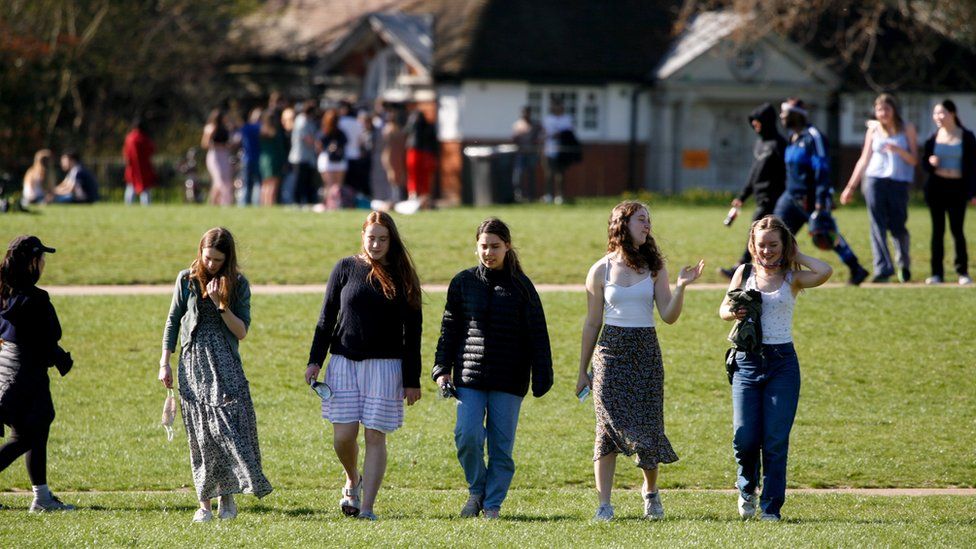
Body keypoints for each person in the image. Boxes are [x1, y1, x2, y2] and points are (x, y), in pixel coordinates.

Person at [577, 201, 704, 521]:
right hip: (610, 353)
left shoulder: (655, 267)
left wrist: (682, 287)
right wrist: (582, 369)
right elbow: (592, 323)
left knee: (648, 426)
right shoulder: (600, 269)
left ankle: (650, 494)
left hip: (645, 351)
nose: (647, 226)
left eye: (649, 220)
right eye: (640, 220)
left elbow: (669, 316)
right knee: (605, 428)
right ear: (622, 224)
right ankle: (604, 505)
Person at [304, 211, 423, 521]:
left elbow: (413, 334)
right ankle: (352, 478)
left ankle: (367, 507)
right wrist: (315, 360)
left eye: (383, 239)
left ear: (391, 240)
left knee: (374, 437)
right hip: (343, 362)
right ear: (363, 236)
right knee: (343, 436)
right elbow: (326, 318)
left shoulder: (403, 276)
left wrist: (412, 379)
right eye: (372, 238)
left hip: (385, 367)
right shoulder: (345, 268)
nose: (376, 244)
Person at [433, 218, 553, 519]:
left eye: (495, 246)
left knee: (501, 447)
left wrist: (542, 376)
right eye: (484, 246)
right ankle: (477, 489)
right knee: (467, 435)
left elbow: (538, 334)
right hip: (469, 377)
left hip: (509, 380)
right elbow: (449, 329)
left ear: (507, 247)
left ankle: (492, 505)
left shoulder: (523, 287)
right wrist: (441, 369)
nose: (489, 252)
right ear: (477, 247)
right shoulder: (462, 283)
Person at [719, 215, 832, 521]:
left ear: (784, 246)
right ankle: (746, 488)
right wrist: (734, 312)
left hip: (782, 363)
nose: (767, 251)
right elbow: (722, 309)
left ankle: (771, 508)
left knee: (775, 439)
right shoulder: (743, 273)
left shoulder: (792, 277)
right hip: (746, 361)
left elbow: (825, 271)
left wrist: (796, 256)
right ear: (752, 246)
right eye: (761, 245)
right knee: (744, 437)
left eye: (774, 245)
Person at [159, 227, 272, 523]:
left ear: (228, 259)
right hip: (193, 363)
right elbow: (173, 321)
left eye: (218, 260)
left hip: (225, 364)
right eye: (207, 258)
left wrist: (222, 304)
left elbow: (242, 331)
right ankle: (204, 505)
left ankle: (228, 498)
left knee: (225, 430)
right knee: (200, 434)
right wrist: (164, 361)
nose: (211, 264)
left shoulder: (238, 284)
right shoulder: (186, 280)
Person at [0, 236, 75, 513]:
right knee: (27, 435)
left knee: (36, 429)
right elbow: (49, 338)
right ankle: (42, 498)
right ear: (33, 261)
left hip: (6, 366)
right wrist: (61, 360)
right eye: (41, 258)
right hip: (25, 375)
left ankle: (42, 497)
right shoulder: (37, 299)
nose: (44, 263)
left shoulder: (4, 292)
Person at [774, 98, 869, 285]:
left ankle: (856, 268)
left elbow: (822, 168)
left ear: (797, 115)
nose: (781, 117)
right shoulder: (793, 138)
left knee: (826, 234)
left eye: (785, 113)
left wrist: (820, 199)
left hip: (810, 197)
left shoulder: (813, 137)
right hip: (790, 196)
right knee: (775, 232)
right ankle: (775, 275)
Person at [840, 94, 918, 283]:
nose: (883, 113)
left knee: (898, 226)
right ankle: (882, 268)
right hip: (874, 180)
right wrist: (850, 187)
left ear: (894, 110)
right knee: (877, 224)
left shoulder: (907, 129)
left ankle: (903, 264)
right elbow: (864, 159)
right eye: (879, 109)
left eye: (887, 109)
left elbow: (914, 160)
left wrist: (898, 150)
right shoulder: (873, 130)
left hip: (898, 182)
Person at [720, 103, 786, 279]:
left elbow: (787, 173)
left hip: (774, 198)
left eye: (758, 123)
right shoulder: (759, 144)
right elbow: (754, 173)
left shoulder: (779, 145)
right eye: (753, 123)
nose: (755, 127)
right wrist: (742, 196)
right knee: (768, 235)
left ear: (767, 122)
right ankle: (762, 269)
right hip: (760, 197)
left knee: (756, 231)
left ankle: (741, 267)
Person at [921, 99, 975, 285]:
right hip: (937, 188)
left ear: (952, 113)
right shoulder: (933, 137)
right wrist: (930, 162)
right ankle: (937, 273)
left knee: (957, 230)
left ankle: (963, 272)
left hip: (957, 188)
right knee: (938, 231)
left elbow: (973, 166)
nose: (938, 117)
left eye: (941, 112)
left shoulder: (966, 136)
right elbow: (924, 163)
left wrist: (973, 192)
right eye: (935, 113)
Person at [315, 109, 350, 211]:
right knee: (338, 186)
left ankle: (329, 205)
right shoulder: (341, 132)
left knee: (329, 185)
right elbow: (345, 144)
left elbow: (319, 147)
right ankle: (336, 205)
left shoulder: (323, 132)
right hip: (339, 160)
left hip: (327, 160)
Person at [405, 104, 438, 209]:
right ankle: (424, 197)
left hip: (415, 151)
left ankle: (415, 195)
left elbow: (406, 131)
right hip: (426, 153)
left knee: (414, 175)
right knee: (423, 177)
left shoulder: (414, 125)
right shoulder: (429, 126)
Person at [542, 100, 574, 204]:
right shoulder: (548, 119)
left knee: (560, 174)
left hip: (562, 151)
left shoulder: (567, 119)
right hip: (549, 150)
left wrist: (559, 134)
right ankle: (549, 195)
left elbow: (569, 133)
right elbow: (544, 133)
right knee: (549, 173)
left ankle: (559, 196)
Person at [289, 101, 319, 205]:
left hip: (307, 157)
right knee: (299, 181)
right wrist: (317, 145)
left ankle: (306, 201)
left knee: (306, 181)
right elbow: (307, 138)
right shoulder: (302, 121)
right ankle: (296, 201)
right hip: (300, 156)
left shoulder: (307, 120)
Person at [201, 110, 234, 206]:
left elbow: (229, 142)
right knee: (218, 180)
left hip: (224, 155)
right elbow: (205, 144)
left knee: (226, 179)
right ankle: (218, 202)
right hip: (215, 155)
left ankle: (218, 203)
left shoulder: (226, 128)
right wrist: (219, 145)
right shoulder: (210, 128)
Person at [122, 118, 158, 206]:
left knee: (131, 186)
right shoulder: (144, 138)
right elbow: (151, 150)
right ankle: (146, 205)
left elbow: (126, 153)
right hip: (144, 168)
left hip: (131, 167)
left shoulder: (129, 138)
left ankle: (128, 205)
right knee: (145, 188)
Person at [511, 106, 542, 202]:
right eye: (523, 112)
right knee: (518, 175)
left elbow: (540, 137)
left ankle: (531, 196)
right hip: (520, 154)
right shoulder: (517, 125)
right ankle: (518, 195)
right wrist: (518, 135)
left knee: (531, 175)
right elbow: (513, 139)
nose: (525, 114)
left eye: (527, 112)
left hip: (531, 153)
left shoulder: (535, 125)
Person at [258, 110, 287, 206]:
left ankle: (264, 203)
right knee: (273, 183)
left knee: (265, 183)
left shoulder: (262, 130)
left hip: (263, 159)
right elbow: (280, 148)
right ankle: (270, 203)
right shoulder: (275, 131)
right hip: (274, 159)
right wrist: (284, 161)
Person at [381, 108, 407, 204]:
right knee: (395, 176)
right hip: (395, 154)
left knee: (393, 176)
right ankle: (395, 197)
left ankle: (395, 197)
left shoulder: (389, 129)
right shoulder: (398, 130)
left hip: (392, 155)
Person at [238, 108, 263, 206]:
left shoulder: (245, 127)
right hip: (254, 158)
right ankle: (254, 203)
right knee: (256, 183)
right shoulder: (259, 127)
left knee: (247, 184)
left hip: (249, 159)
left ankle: (244, 204)